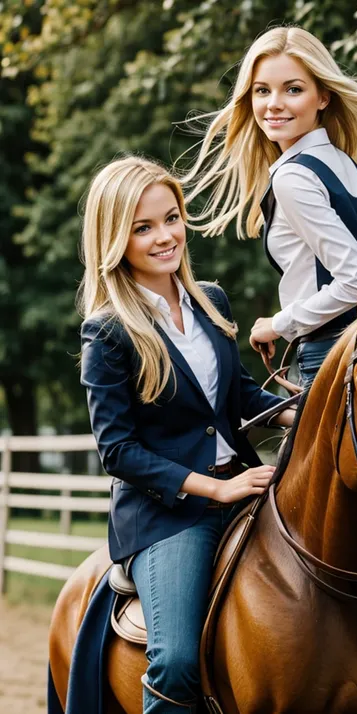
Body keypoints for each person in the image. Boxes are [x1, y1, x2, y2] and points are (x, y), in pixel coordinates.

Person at [78, 155, 295, 713]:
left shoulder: (210, 300)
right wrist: (214, 488)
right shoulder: (106, 333)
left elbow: (240, 396)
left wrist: (301, 413)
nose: (163, 236)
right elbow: (118, 451)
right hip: (170, 514)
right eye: (142, 227)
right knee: (174, 660)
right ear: (113, 238)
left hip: (248, 481)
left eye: (170, 218)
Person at [181, 26, 357, 387]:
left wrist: (277, 324)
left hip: (334, 356)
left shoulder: (293, 176)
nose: (273, 103)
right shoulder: (340, 161)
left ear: (323, 97)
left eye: (293, 89)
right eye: (262, 91)